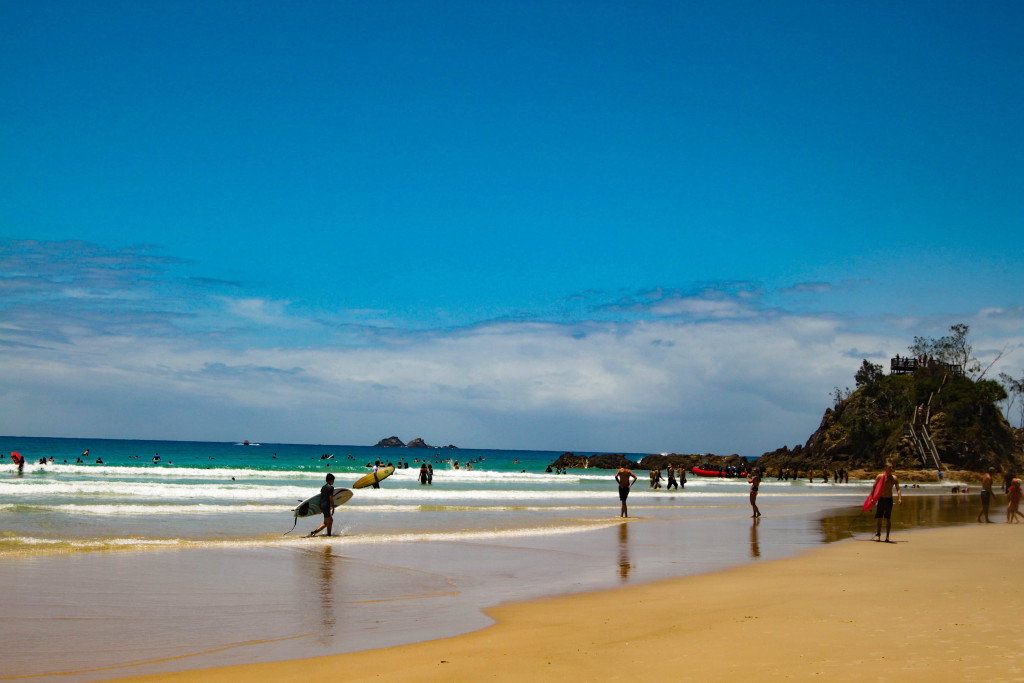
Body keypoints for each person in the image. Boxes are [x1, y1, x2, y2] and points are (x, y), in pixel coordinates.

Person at [873, 463, 902, 542]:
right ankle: (878, 535)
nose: (891, 469)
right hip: (881, 499)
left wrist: (900, 498)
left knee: (887, 518)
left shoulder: (894, 478)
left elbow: (898, 488)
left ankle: (887, 536)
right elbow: (874, 486)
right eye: (890, 467)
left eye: (892, 467)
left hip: (889, 499)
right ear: (886, 468)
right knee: (879, 518)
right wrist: (872, 498)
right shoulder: (880, 477)